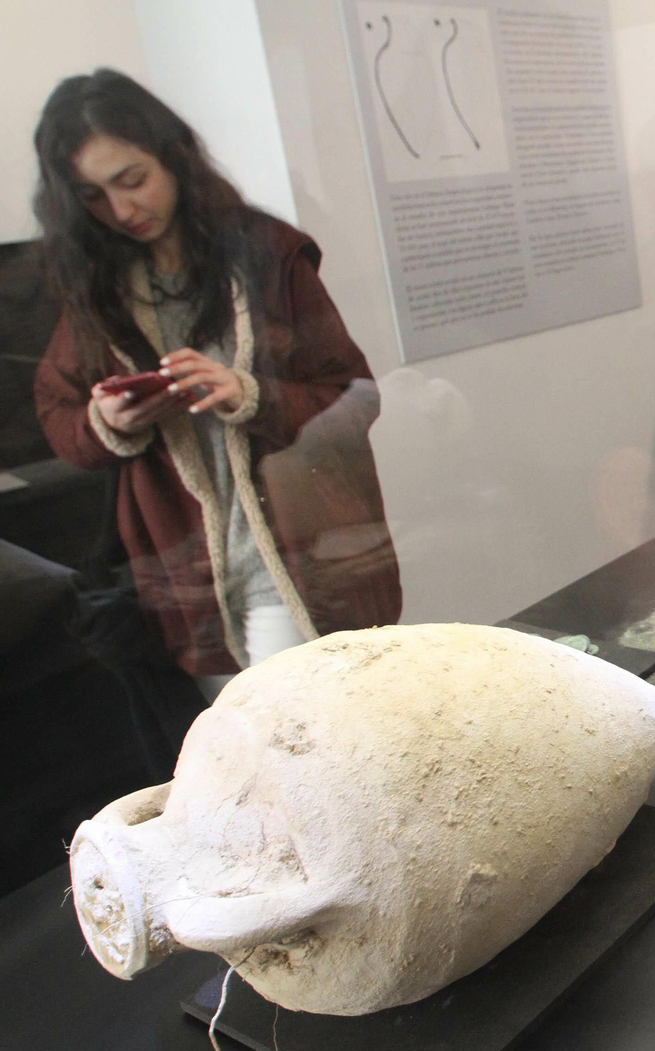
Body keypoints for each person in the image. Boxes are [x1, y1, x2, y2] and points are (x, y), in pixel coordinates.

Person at [32, 69, 401, 695]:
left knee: (299, 734)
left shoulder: (266, 255)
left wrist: (248, 394)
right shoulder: (97, 289)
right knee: (262, 753)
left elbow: (355, 394)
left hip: (293, 551)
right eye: (94, 197)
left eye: (133, 179)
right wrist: (109, 423)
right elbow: (57, 412)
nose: (123, 210)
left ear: (173, 157)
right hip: (187, 573)